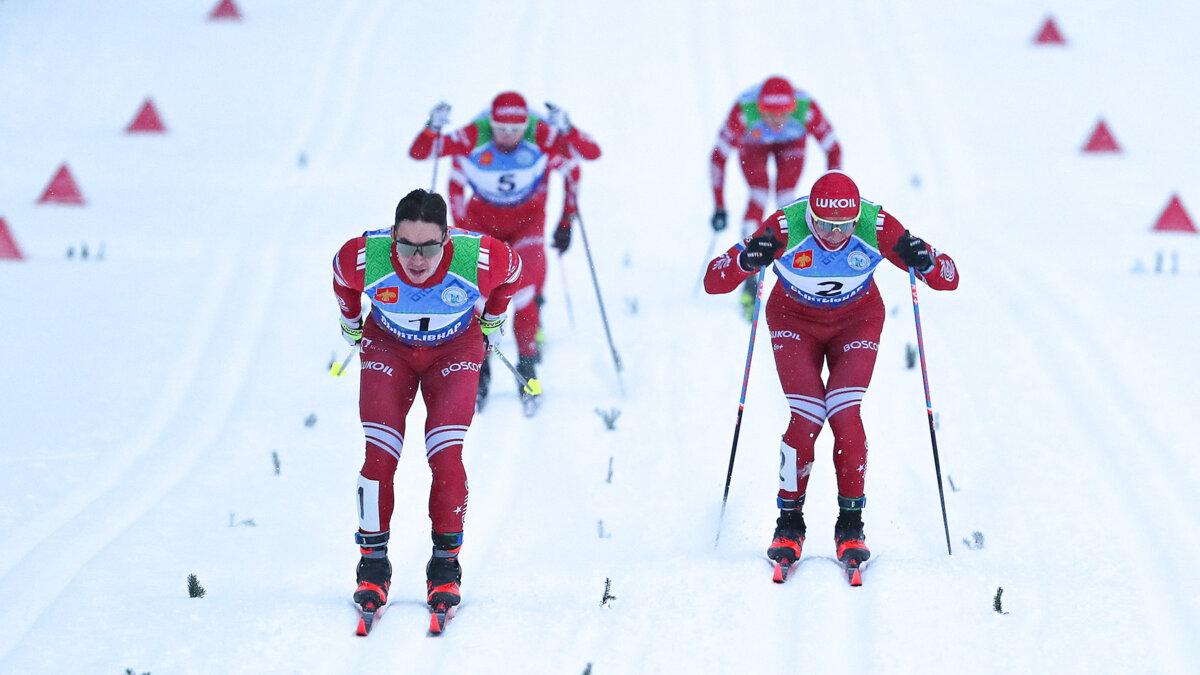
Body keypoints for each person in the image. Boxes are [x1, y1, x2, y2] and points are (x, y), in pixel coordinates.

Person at [703, 170, 959, 577]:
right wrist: (746, 259)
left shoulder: (877, 226)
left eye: (843, 226)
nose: (834, 235)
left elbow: (949, 278)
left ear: (857, 217)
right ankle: (788, 525)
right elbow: (713, 281)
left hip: (856, 320)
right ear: (811, 215)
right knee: (806, 417)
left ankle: (851, 527)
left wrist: (924, 259)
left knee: (844, 413)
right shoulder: (787, 225)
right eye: (823, 224)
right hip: (792, 318)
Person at [332, 188, 523, 619]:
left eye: (430, 248)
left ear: (447, 239)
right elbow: (341, 277)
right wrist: (350, 322)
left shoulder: (481, 259)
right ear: (393, 235)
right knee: (379, 454)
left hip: (454, 350)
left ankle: (445, 564)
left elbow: (514, 272)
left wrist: (493, 317)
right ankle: (373, 565)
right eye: (406, 245)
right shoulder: (364, 256)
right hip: (388, 349)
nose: (417, 259)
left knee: (445, 452)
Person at [410, 92, 601, 411]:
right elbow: (425, 157)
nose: (508, 137)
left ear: (526, 125)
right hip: (482, 222)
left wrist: (567, 217)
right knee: (481, 296)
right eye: (501, 129)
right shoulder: (474, 135)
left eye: (516, 130)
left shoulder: (540, 134)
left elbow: (583, 160)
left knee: (525, 290)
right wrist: (432, 127)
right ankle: (480, 370)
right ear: (491, 123)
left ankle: (527, 367)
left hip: (528, 220)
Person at [709, 75, 843, 319]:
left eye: (784, 114)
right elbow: (718, 156)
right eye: (770, 114)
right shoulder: (744, 111)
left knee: (786, 200)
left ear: (793, 108)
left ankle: (795, 273)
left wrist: (833, 197)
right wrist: (719, 205)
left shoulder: (806, 110)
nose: (778, 120)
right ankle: (750, 276)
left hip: (792, 144)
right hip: (754, 145)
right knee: (758, 194)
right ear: (759, 108)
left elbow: (834, 149)